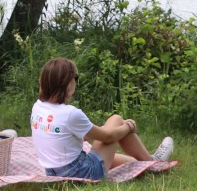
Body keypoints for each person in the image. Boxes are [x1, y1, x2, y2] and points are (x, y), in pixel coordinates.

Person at [30, 57, 174, 180]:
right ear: (67, 84)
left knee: (131, 160)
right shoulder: (70, 114)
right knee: (116, 119)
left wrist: (115, 129)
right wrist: (128, 126)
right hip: (83, 173)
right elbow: (108, 137)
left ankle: (146, 163)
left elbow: (65, 135)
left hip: (53, 172)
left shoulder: (37, 107)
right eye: (75, 78)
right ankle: (153, 161)